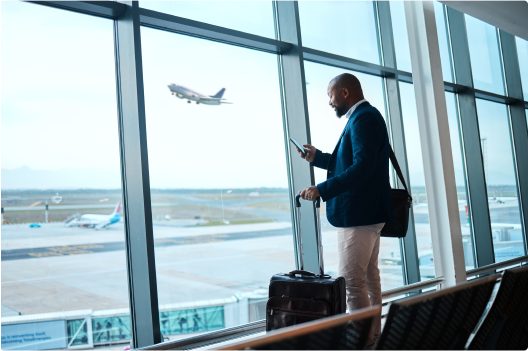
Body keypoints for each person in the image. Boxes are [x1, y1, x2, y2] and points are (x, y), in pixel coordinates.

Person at [297, 73, 393, 348]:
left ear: (346, 93)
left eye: (331, 95)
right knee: (369, 279)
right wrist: (318, 158)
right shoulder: (366, 116)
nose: (329, 101)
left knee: (352, 282)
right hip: (369, 213)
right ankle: (373, 337)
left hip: (359, 214)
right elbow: (349, 162)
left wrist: (322, 189)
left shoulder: (363, 118)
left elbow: (362, 168)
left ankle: (363, 342)